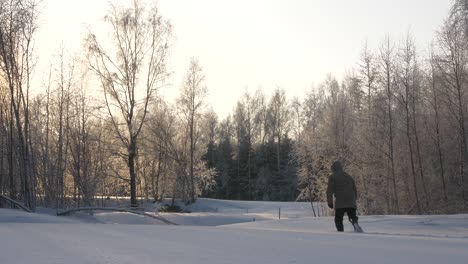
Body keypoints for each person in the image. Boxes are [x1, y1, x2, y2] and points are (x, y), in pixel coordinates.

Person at [326, 160, 358, 232]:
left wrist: (329, 202)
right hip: (351, 200)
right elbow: (354, 189)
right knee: (352, 216)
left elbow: (329, 191)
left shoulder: (332, 177)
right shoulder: (348, 176)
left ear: (333, 168)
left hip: (340, 202)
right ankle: (355, 222)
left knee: (338, 218)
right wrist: (354, 200)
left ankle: (340, 232)